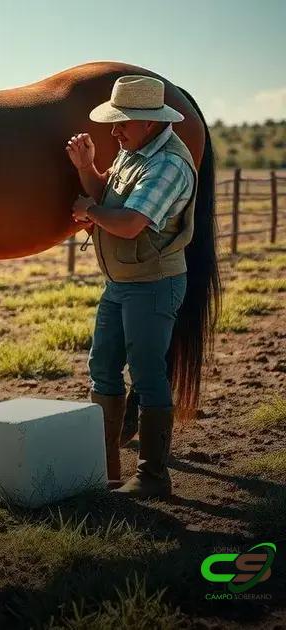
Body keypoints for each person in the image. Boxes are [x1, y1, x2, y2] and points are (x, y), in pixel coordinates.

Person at [64, 75, 196, 499]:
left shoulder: (169, 164)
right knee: (102, 366)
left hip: (153, 284)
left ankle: (154, 476)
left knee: (147, 374)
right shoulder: (134, 151)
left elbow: (130, 223)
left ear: (151, 122)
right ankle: (106, 470)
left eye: (123, 123)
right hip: (121, 282)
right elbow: (109, 194)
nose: (114, 131)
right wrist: (87, 170)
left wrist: (91, 211)